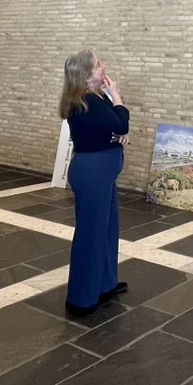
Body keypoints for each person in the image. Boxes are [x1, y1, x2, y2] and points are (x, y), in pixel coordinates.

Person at [59, 50, 130, 316]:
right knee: (91, 233)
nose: (104, 68)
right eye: (99, 65)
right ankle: (81, 298)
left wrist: (117, 133)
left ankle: (104, 283)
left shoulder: (95, 98)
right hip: (94, 173)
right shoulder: (86, 100)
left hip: (103, 171)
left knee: (108, 227)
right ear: (88, 76)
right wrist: (117, 97)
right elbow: (120, 123)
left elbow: (114, 126)